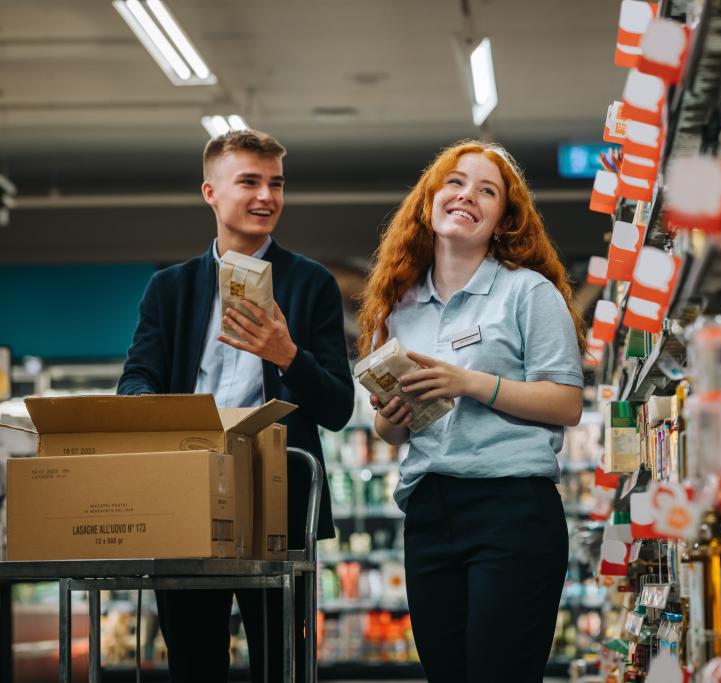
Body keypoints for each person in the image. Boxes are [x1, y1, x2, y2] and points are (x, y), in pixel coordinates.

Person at [117, 129, 354, 683]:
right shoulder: (169, 289)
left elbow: (338, 407)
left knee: (280, 659)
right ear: (211, 192)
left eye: (276, 184)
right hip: (186, 492)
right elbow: (137, 378)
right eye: (249, 182)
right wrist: (156, 413)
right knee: (193, 659)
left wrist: (286, 354)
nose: (266, 196)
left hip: (279, 496)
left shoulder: (312, 283)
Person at [357, 139, 586, 682]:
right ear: (429, 201)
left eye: (487, 191)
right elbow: (389, 432)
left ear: (504, 221)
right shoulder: (399, 305)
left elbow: (567, 402)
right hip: (429, 512)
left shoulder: (527, 293)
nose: (466, 195)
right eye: (455, 182)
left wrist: (470, 383)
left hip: (512, 509)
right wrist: (392, 413)